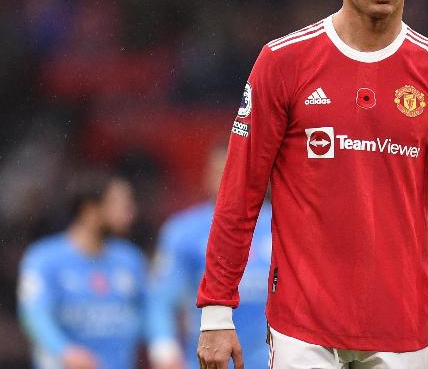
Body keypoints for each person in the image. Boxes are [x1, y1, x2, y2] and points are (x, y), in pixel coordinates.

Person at [196, 0, 428, 369]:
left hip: (403, 328)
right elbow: (240, 190)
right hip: (302, 326)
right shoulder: (283, 62)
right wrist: (215, 311)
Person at [147, 143, 272, 369]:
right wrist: (164, 348)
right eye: (219, 172)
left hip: (271, 359)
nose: (227, 181)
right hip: (209, 359)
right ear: (207, 176)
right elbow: (161, 298)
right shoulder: (183, 231)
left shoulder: (282, 225)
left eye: (234, 172)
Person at [18, 173, 147, 369]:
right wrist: (64, 350)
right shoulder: (44, 259)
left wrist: (163, 345)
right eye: (119, 204)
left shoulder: (130, 260)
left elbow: (149, 311)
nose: (130, 213)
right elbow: (34, 314)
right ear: (90, 210)